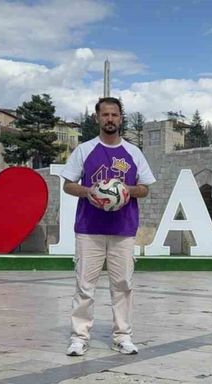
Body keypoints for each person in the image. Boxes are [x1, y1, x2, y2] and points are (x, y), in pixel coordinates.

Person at [60, 97, 156, 356]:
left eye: (114, 115)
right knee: (84, 284)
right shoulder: (84, 150)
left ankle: (122, 336)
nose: (110, 119)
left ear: (121, 118)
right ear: (97, 118)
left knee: (123, 283)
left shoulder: (134, 152)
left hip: (123, 228)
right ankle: (79, 337)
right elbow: (68, 184)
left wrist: (126, 191)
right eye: (105, 115)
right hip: (89, 228)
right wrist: (89, 190)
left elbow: (145, 188)